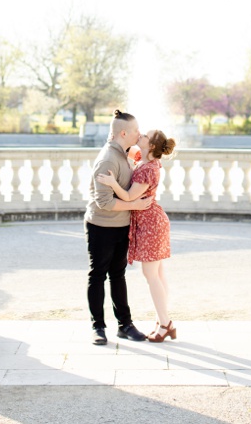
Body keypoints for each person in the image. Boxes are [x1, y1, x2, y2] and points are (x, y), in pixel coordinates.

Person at [97, 129, 177, 343]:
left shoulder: (147, 169)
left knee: (152, 275)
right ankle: (164, 321)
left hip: (150, 223)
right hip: (153, 221)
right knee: (157, 274)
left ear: (151, 146)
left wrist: (112, 183)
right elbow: (128, 152)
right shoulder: (146, 160)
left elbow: (130, 195)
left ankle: (165, 323)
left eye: (145, 136)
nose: (140, 135)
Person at [85, 109, 154, 346]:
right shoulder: (108, 159)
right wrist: (134, 203)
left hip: (121, 224)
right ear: (123, 133)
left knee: (118, 275)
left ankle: (125, 325)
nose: (140, 133)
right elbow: (103, 202)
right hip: (101, 226)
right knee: (97, 276)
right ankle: (98, 327)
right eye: (136, 130)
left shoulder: (124, 152)